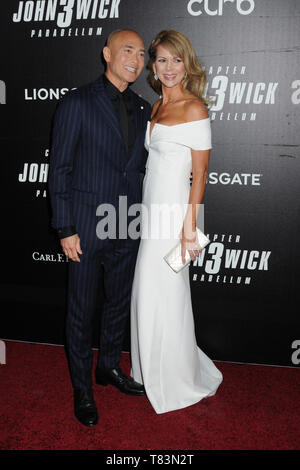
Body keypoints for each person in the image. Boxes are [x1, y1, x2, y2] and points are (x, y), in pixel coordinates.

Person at [48, 29, 152, 427]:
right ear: (107, 53)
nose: (136, 59)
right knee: (81, 309)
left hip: (128, 221)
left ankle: (108, 366)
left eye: (142, 54)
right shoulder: (77, 101)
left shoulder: (144, 108)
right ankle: (82, 389)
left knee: (117, 303)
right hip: (86, 227)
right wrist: (65, 226)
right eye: (128, 50)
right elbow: (59, 169)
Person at [130, 30, 223, 414]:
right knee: (146, 292)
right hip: (151, 211)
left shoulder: (194, 108)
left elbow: (200, 174)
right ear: (153, 65)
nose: (169, 68)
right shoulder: (155, 108)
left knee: (166, 293)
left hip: (175, 217)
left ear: (187, 64)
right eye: (162, 60)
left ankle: (175, 376)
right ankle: (147, 368)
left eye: (176, 60)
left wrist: (189, 227)